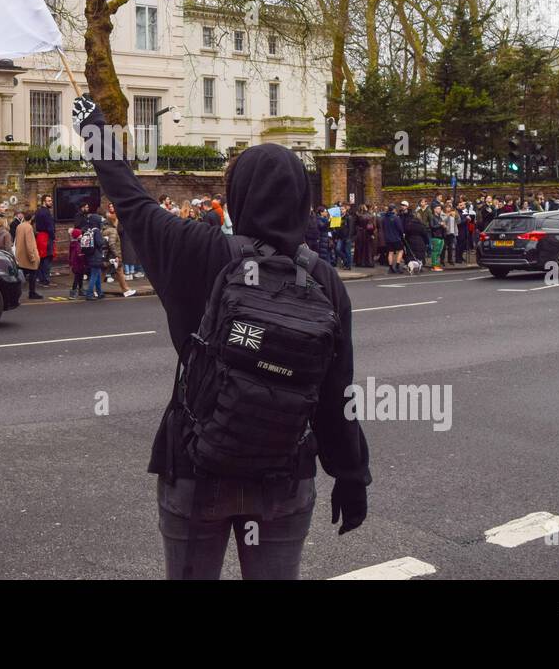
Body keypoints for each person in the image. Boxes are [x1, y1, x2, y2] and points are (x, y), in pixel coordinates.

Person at [72, 95, 368, 580]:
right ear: (302, 201)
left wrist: (94, 130)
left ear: (236, 198)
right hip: (284, 471)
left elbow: (130, 198)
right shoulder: (324, 280)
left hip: (195, 466)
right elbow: (338, 393)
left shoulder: (193, 248)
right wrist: (351, 474)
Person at [13, 211, 43, 300]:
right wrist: (32, 256)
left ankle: (16, 293)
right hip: (28, 255)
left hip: (20, 254)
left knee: (20, 275)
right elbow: (29, 243)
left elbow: (17, 240)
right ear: (32, 218)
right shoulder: (29, 227)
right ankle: (32, 293)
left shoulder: (19, 226)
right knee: (33, 274)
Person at [82, 212, 107, 300]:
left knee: (97, 274)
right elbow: (100, 243)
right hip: (96, 256)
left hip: (90, 255)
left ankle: (100, 292)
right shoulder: (96, 231)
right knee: (94, 275)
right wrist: (105, 240)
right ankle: (89, 294)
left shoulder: (89, 230)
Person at [34, 195, 56, 286]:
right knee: (47, 258)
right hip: (46, 237)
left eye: (51, 200)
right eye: (49, 201)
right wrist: (53, 236)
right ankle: (46, 280)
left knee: (41, 259)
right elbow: (50, 226)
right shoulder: (46, 212)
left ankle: (41, 279)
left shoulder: (38, 211)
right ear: (44, 202)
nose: (51, 202)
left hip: (39, 236)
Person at [382, 203, 405, 274]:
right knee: (401, 251)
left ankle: (390, 267)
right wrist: (402, 234)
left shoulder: (384, 218)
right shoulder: (396, 218)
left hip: (387, 238)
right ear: (394, 209)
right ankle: (397, 266)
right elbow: (400, 228)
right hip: (396, 238)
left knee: (390, 252)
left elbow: (383, 227)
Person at [68, 227, 87, 299]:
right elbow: (79, 255)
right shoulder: (77, 245)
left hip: (75, 264)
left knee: (79, 277)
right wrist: (84, 257)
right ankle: (73, 292)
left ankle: (80, 290)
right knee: (77, 278)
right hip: (79, 264)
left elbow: (71, 255)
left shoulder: (73, 244)